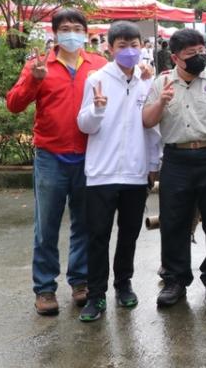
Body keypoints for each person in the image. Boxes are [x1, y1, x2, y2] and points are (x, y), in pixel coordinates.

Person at [6, 8, 108, 316]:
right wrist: (34, 81)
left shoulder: (99, 65)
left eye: (77, 27)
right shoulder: (39, 66)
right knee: (46, 226)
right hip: (51, 157)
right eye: (65, 28)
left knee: (85, 224)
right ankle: (45, 288)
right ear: (55, 33)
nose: (71, 33)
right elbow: (14, 104)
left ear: (86, 32)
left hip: (89, 157)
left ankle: (80, 282)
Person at [142, 29, 206, 308]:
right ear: (174, 57)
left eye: (202, 51)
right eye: (191, 54)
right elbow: (147, 121)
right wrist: (161, 102)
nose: (199, 57)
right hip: (176, 159)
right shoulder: (162, 83)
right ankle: (175, 280)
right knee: (173, 222)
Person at [75, 22, 159, 322]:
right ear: (109, 49)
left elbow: (152, 129)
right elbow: (84, 125)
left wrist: (152, 165)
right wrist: (97, 109)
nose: (129, 51)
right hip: (102, 173)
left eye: (134, 45)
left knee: (129, 234)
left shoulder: (146, 82)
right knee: (97, 236)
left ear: (142, 47)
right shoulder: (97, 79)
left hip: (135, 175)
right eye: (122, 46)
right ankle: (96, 296)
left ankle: (124, 284)